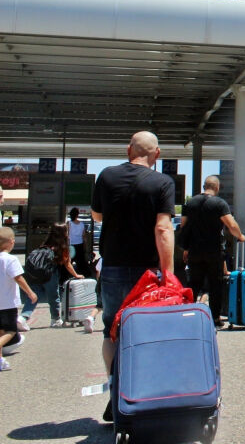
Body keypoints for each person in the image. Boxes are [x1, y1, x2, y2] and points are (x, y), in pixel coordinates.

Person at [90, 131, 175, 422]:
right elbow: (163, 228)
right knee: (149, 331)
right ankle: (144, 395)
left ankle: (116, 394)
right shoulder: (162, 182)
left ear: (129, 150)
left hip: (113, 266)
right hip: (147, 272)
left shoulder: (106, 175)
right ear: (157, 154)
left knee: (111, 331)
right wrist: (168, 273)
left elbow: (97, 216)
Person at [181, 175, 245, 327]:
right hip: (214, 251)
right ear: (217, 187)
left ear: (204, 186)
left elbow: (184, 226)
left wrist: (186, 248)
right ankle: (215, 318)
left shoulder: (190, 202)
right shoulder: (219, 203)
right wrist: (240, 236)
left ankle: (187, 315)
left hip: (194, 250)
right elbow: (231, 225)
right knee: (215, 284)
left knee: (193, 283)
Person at [20, 223, 83, 328]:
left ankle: (23, 317)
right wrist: (76, 275)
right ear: (65, 232)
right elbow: (67, 264)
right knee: (53, 296)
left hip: (35, 274)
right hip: (50, 274)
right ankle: (55, 319)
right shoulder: (62, 246)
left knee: (33, 296)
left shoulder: (45, 244)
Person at [1, 226, 37, 370]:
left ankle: (0, 360)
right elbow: (18, 278)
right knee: (11, 331)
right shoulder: (10, 260)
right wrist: (30, 292)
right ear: (11, 242)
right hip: (7, 303)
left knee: (1, 332)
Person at [67, 208, 91, 277]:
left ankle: (67, 275)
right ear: (77, 215)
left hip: (71, 245)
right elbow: (84, 236)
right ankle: (85, 274)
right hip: (80, 245)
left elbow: (67, 235)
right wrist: (85, 246)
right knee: (81, 262)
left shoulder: (69, 223)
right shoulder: (82, 224)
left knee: (69, 261)